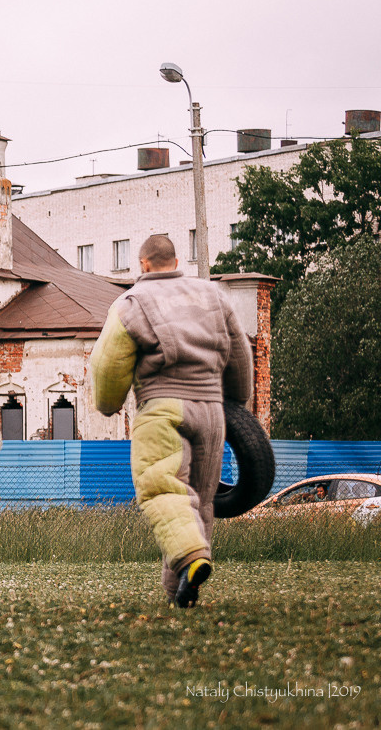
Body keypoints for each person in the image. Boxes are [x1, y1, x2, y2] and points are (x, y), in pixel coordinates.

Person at [90, 234, 253, 608]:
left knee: (164, 489)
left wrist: (108, 404)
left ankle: (191, 560)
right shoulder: (212, 295)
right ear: (176, 262)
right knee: (200, 501)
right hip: (212, 413)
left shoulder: (133, 303)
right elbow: (240, 354)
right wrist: (235, 405)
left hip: (162, 409)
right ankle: (179, 592)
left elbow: (107, 365)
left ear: (143, 264)